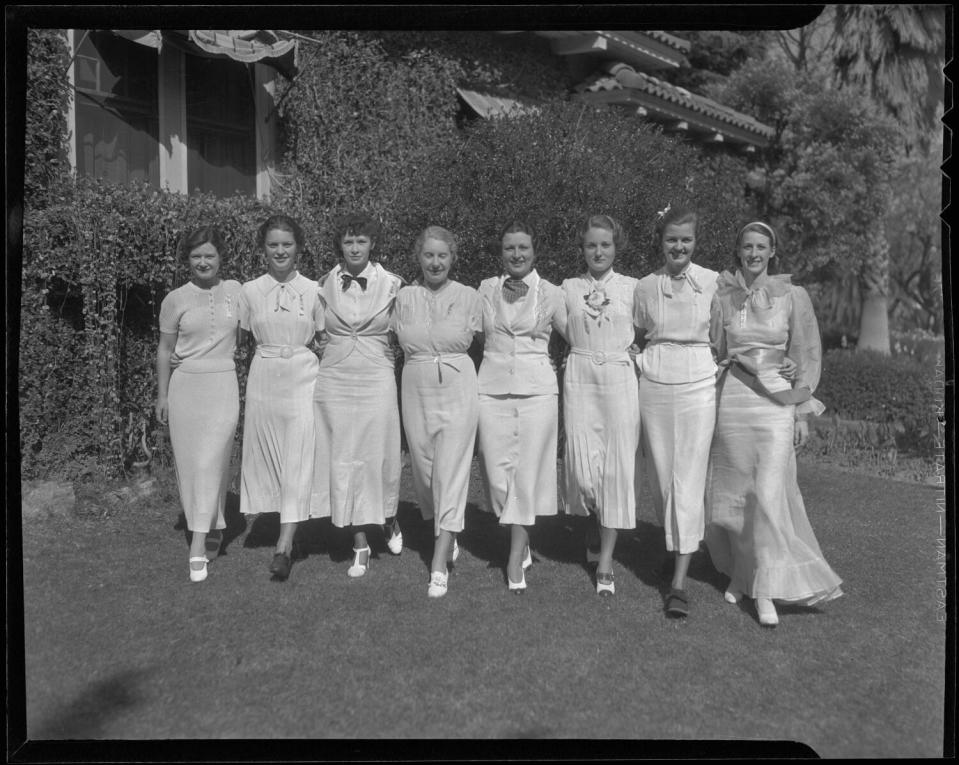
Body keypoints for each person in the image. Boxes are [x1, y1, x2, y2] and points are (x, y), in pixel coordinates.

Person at [705, 220, 843, 627]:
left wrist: (800, 411)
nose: (753, 253)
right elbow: (714, 347)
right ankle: (743, 574)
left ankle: (764, 589)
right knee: (736, 493)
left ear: (772, 251)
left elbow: (806, 353)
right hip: (732, 401)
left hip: (775, 405)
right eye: (747, 246)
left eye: (761, 246)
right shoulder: (724, 296)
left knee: (767, 494)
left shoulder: (793, 296)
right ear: (738, 250)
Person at [633, 206, 720, 617]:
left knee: (687, 477)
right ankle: (677, 547)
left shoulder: (713, 283)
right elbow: (634, 332)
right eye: (672, 239)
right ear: (661, 241)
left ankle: (679, 583)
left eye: (686, 239)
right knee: (661, 478)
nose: (679, 246)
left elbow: (728, 333)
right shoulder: (646, 286)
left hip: (698, 383)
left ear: (695, 242)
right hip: (654, 382)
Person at [311, 212, 404, 578]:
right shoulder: (323, 285)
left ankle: (390, 518)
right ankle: (360, 542)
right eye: (348, 241)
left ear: (372, 245)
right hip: (335, 376)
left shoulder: (394, 286)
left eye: (361, 241)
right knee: (343, 456)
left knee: (378, 453)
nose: (354, 247)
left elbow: (405, 334)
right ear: (340, 245)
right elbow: (316, 334)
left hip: (376, 374)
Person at [476, 220, 567, 594]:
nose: (516, 255)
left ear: (534, 252)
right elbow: (473, 333)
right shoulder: (485, 289)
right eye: (510, 248)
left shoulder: (552, 293)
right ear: (501, 253)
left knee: (527, 474)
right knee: (497, 476)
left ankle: (514, 555)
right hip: (491, 390)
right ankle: (521, 537)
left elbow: (575, 335)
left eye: (523, 248)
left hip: (537, 392)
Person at [394, 226, 482, 598]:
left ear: (452, 258)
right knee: (426, 469)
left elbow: (491, 343)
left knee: (451, 470)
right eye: (428, 255)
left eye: (442, 255)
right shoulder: (404, 297)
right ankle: (447, 527)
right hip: (415, 387)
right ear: (419, 257)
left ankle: (439, 560)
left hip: (459, 387)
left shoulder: (469, 296)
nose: (435, 262)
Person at [237, 214, 322, 581]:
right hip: (264, 377)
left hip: (304, 376)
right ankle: (295, 531)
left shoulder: (316, 290)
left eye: (287, 244)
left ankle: (283, 546)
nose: (280, 251)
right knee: (273, 459)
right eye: (273, 244)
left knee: (299, 456)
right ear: (263, 250)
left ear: (298, 248)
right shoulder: (250, 291)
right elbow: (235, 341)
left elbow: (324, 338)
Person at [561, 214, 642, 596]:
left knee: (614, 467)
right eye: (591, 245)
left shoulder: (633, 287)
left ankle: (606, 560)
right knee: (580, 470)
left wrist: (640, 350)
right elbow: (554, 324)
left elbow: (653, 326)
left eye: (605, 245)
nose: (598, 251)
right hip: (579, 374)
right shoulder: (568, 287)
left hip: (618, 378)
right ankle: (593, 514)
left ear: (616, 247)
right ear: (582, 248)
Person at [156, 226, 241, 583]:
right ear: (187, 260)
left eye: (209, 255)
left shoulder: (237, 291)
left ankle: (200, 539)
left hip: (223, 383)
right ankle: (207, 531)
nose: (203, 262)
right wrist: (161, 394)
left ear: (220, 257)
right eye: (196, 256)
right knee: (193, 465)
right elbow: (163, 350)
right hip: (186, 387)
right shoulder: (175, 299)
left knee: (214, 461)